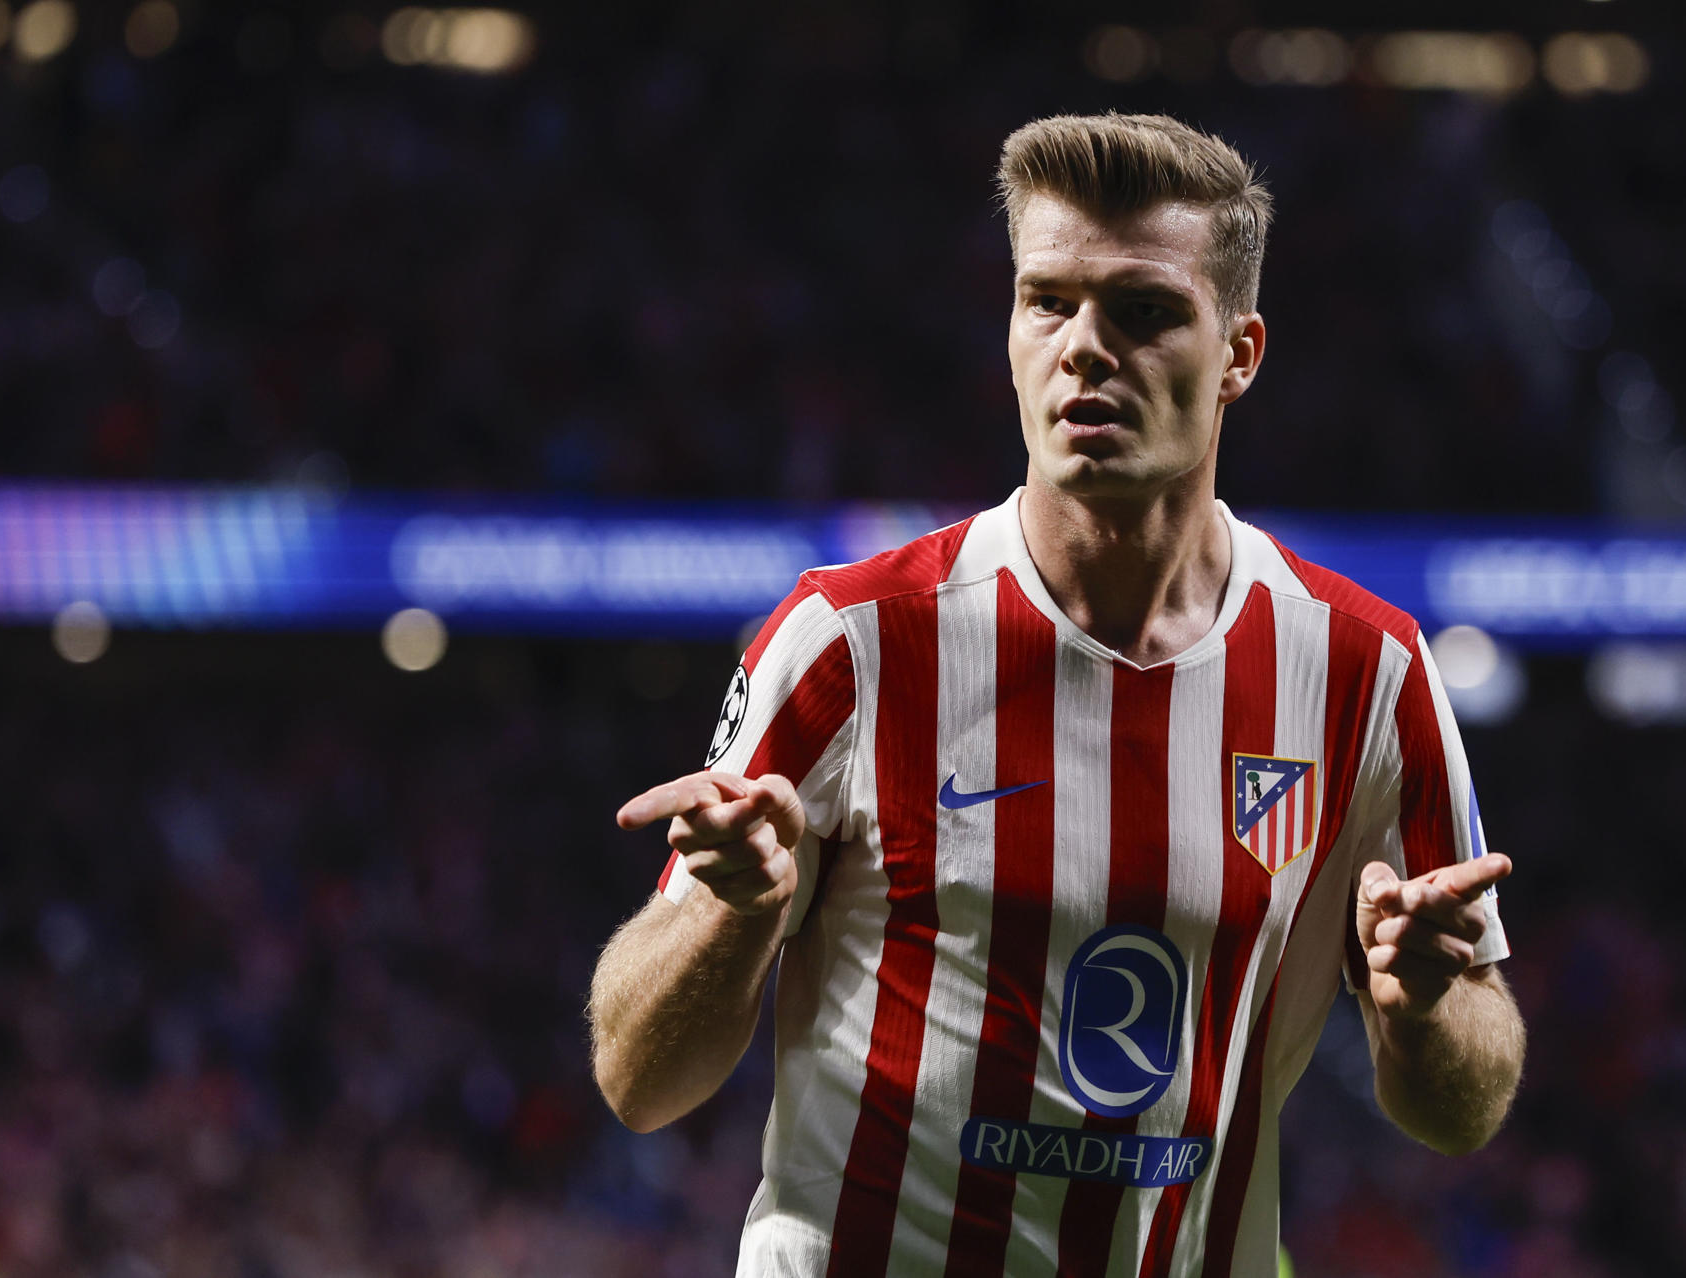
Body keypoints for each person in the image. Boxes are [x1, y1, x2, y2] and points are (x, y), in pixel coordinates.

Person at [587, 112, 1525, 1277]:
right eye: (1049, 303)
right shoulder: (850, 642)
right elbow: (636, 1080)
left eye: (1143, 311)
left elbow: (1465, 1109)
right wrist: (733, 917)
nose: (1086, 347)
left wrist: (1425, 1007)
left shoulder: (1366, 673)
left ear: (1239, 354)